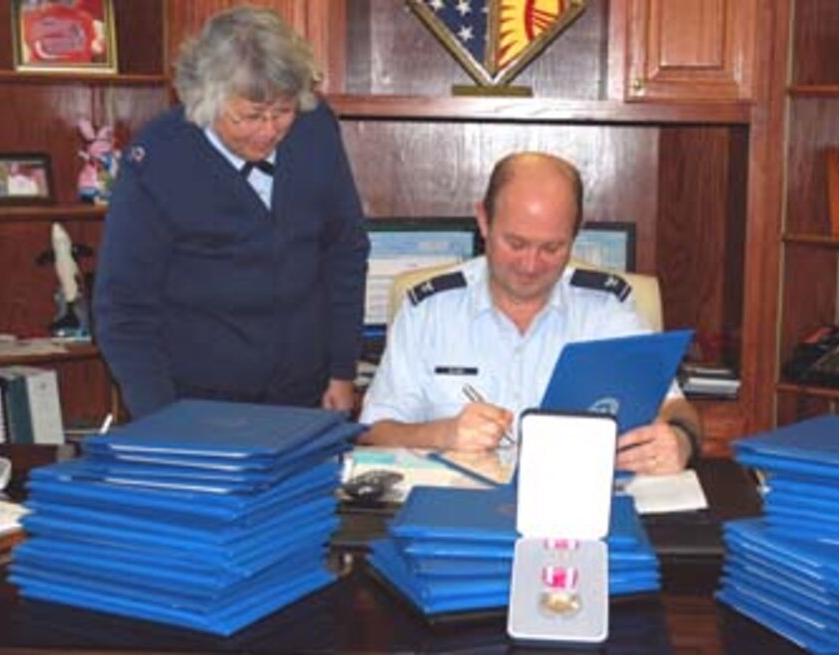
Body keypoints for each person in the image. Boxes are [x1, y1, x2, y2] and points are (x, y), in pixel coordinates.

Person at [95, 7, 369, 419]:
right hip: (195, 400)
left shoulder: (315, 130)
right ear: (206, 99)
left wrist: (341, 369)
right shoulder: (157, 159)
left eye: (283, 112)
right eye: (250, 116)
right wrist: (160, 420)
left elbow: (344, 251)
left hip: (304, 393)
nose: (269, 130)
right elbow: (124, 308)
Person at [358, 152, 701, 475]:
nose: (530, 265)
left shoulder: (608, 313)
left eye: (552, 248)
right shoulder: (428, 311)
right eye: (516, 244)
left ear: (576, 233)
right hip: (457, 514)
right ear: (483, 220)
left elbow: (675, 409)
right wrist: (443, 434)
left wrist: (680, 441)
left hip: (576, 516)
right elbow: (374, 433)